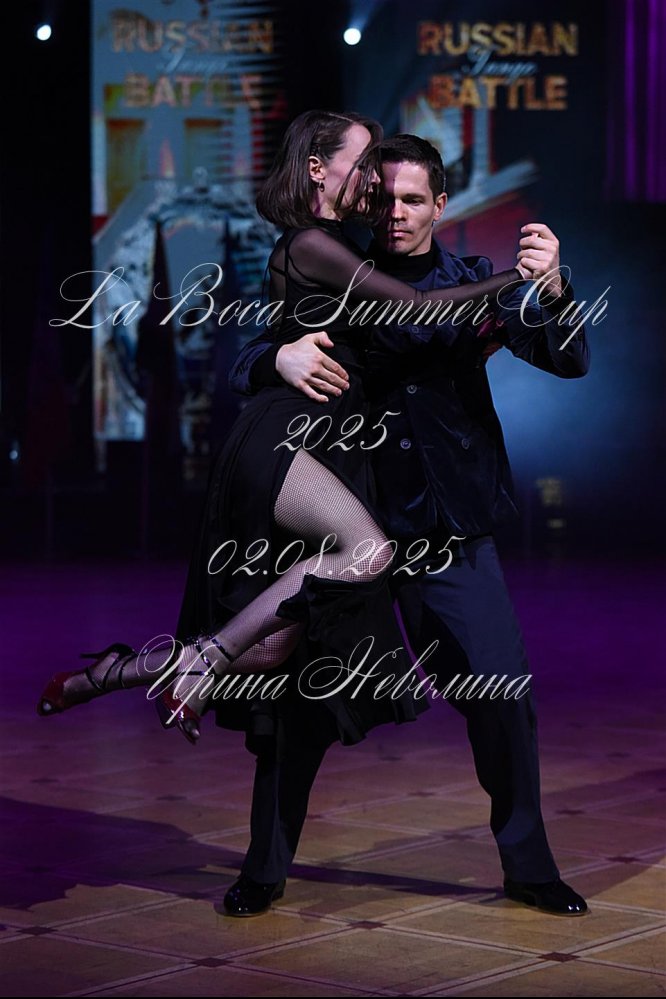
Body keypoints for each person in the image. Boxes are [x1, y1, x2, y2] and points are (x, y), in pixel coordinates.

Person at [37, 113, 531, 761]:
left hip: (323, 447)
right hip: (283, 441)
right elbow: (411, 309)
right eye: (364, 163)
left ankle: (113, 672)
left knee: (272, 646)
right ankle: (206, 661)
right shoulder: (311, 244)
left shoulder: (340, 248)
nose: (374, 182)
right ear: (319, 169)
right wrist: (519, 279)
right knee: (368, 552)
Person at [223, 134, 590, 918]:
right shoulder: (333, 268)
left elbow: (569, 359)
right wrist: (274, 360)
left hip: (450, 530)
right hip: (349, 531)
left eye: (414, 199)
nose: (396, 212)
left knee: (502, 693)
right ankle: (263, 868)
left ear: (441, 205)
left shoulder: (472, 281)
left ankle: (529, 866)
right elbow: (242, 356)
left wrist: (556, 287)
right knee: (300, 707)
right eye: (385, 197)